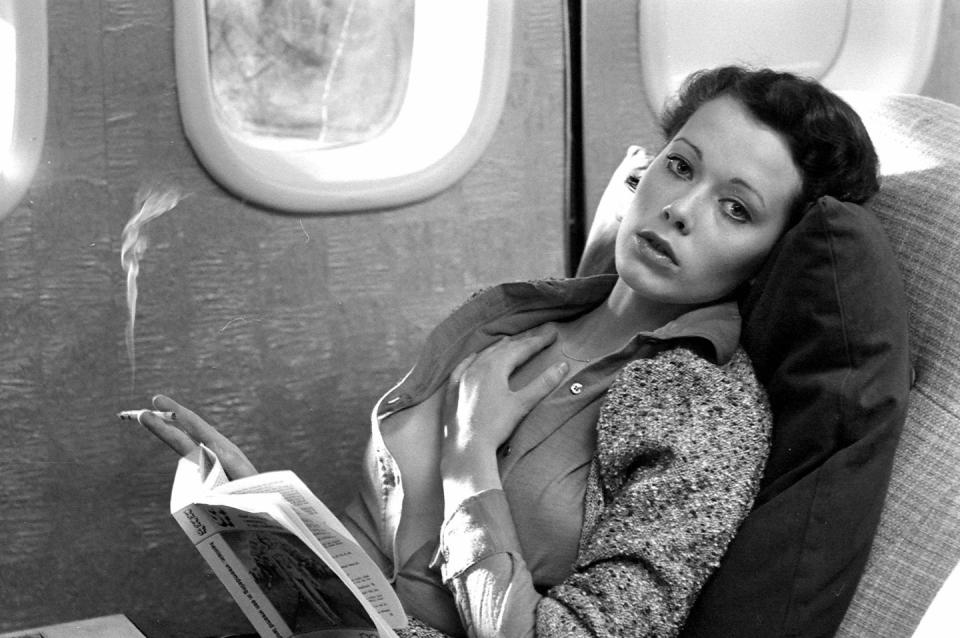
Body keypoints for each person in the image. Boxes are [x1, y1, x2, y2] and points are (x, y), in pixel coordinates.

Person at [140, 66, 880, 637]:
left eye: (736, 208)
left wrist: (471, 465)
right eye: (682, 166)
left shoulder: (704, 412)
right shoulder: (510, 320)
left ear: (770, 258)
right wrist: (271, 525)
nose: (680, 210)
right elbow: (384, 572)